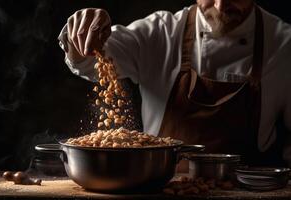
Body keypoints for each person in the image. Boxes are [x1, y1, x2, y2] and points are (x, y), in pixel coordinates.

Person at [58, 0, 291, 168]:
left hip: (249, 192)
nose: (220, 5)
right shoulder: (161, 32)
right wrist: (83, 34)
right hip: (158, 188)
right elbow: (94, 61)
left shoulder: (283, 43)